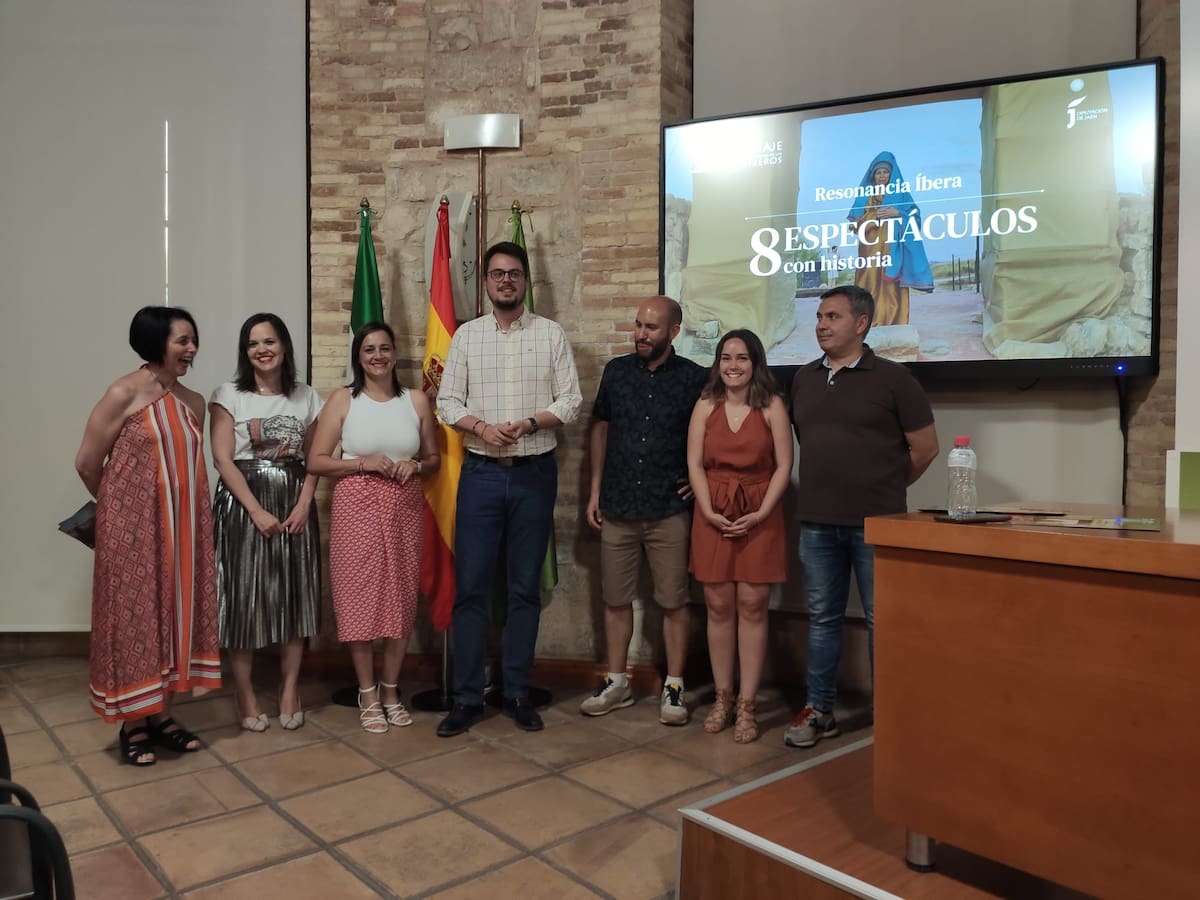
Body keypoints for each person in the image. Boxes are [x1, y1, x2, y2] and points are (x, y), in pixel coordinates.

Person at [435, 241, 582, 736]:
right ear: (486, 282)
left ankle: (517, 691)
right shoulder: (467, 336)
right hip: (480, 474)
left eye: (514, 273)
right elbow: (447, 401)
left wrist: (529, 422)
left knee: (523, 589)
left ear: (524, 280)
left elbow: (571, 401)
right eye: (497, 273)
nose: (505, 281)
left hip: (533, 475)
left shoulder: (550, 334)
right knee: (471, 589)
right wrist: (480, 427)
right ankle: (467, 699)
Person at [786, 285, 938, 749]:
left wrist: (885, 488)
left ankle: (888, 716)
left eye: (832, 317)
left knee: (881, 620)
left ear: (861, 324)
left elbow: (925, 448)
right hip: (817, 522)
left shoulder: (894, 379)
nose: (821, 325)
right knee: (823, 619)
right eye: (819, 317)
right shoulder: (804, 378)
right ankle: (819, 710)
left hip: (877, 524)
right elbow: (809, 441)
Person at [75, 306, 220, 766]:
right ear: (156, 342)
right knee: (136, 619)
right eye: (182, 341)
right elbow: (87, 462)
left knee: (175, 616)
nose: (192, 349)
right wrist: (122, 512)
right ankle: (134, 724)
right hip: (132, 536)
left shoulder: (194, 402)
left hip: (185, 534)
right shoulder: (123, 392)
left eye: (193, 340)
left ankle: (162, 716)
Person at [308, 322, 441, 734]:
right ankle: (367, 693)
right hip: (356, 506)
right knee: (358, 598)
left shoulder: (415, 400)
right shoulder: (343, 400)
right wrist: (362, 463)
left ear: (395, 353)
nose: (378, 356)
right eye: (369, 349)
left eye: (385, 348)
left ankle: (390, 690)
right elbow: (316, 461)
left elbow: (434, 459)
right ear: (359, 357)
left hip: (404, 506)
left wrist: (415, 465)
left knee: (400, 598)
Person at [581, 296, 706, 725]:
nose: (641, 334)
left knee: (673, 601)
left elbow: (712, 431)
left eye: (651, 327)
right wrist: (595, 490)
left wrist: (700, 477)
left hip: (669, 507)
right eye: (638, 325)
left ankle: (674, 686)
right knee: (615, 599)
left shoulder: (694, 378)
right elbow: (601, 428)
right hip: (618, 504)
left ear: (674, 331)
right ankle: (617, 682)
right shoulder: (616, 372)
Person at [210, 313, 322, 733]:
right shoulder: (228, 395)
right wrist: (255, 510)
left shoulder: (307, 397)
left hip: (294, 501)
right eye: (253, 343)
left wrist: (305, 503)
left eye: (269, 341)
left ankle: (290, 689)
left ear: (284, 346)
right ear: (245, 352)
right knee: (243, 598)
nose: (262, 350)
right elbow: (223, 459)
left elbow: (315, 458)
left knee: (295, 595)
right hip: (243, 503)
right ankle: (245, 693)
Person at [687, 329, 792, 743]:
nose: (733, 365)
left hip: (759, 512)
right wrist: (708, 510)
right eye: (726, 358)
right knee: (717, 606)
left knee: (752, 605)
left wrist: (762, 513)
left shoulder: (772, 405)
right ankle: (723, 698)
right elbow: (695, 464)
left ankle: (747, 706)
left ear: (755, 363)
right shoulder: (705, 405)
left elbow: (784, 466)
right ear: (718, 364)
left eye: (742, 358)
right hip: (712, 510)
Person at [847, 151, 934, 327]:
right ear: (873, 176)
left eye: (885, 172)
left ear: (892, 174)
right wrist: (875, 218)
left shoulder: (902, 196)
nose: (881, 176)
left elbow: (915, 220)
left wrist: (898, 213)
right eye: (878, 173)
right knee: (868, 285)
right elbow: (855, 226)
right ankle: (868, 325)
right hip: (870, 250)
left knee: (892, 290)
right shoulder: (866, 197)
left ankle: (895, 324)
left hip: (893, 252)